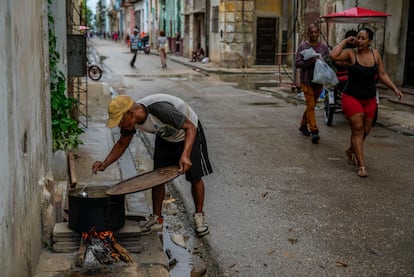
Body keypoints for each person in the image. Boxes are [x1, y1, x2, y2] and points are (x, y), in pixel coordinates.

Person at [92, 94, 213, 237]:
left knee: (195, 177)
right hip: (166, 137)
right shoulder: (131, 121)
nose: (120, 125)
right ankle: (156, 219)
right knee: (157, 177)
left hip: (188, 134)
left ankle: (199, 216)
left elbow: (190, 127)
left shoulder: (160, 110)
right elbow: (122, 144)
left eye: (120, 120)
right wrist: (104, 164)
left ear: (130, 113)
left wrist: (185, 155)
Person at [330, 27, 403, 177]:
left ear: (369, 41)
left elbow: (382, 74)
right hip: (351, 97)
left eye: (363, 38)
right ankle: (361, 166)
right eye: (358, 37)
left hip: (369, 99)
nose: (359, 40)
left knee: (366, 130)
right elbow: (333, 55)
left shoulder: (375, 54)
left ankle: (351, 149)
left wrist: (394, 88)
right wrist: (345, 41)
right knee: (357, 129)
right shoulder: (351, 54)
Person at [295, 24, 330, 144]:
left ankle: (303, 125)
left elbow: (329, 61)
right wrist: (310, 60)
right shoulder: (303, 46)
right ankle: (314, 130)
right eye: (311, 32)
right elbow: (297, 63)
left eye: (316, 32)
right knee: (310, 105)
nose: (314, 35)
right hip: (307, 81)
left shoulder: (324, 47)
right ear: (308, 34)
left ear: (318, 32)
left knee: (312, 106)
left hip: (319, 82)